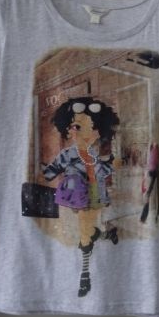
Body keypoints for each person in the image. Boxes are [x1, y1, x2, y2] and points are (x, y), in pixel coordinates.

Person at [41, 97, 120, 297]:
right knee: (85, 231)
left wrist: (113, 165)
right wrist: (44, 172)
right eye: (76, 126)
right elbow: (50, 171)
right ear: (68, 130)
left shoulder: (93, 156)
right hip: (78, 198)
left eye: (90, 127)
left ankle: (103, 236)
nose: (79, 132)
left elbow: (102, 171)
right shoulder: (68, 154)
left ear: (97, 132)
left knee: (88, 230)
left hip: (96, 195)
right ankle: (86, 274)